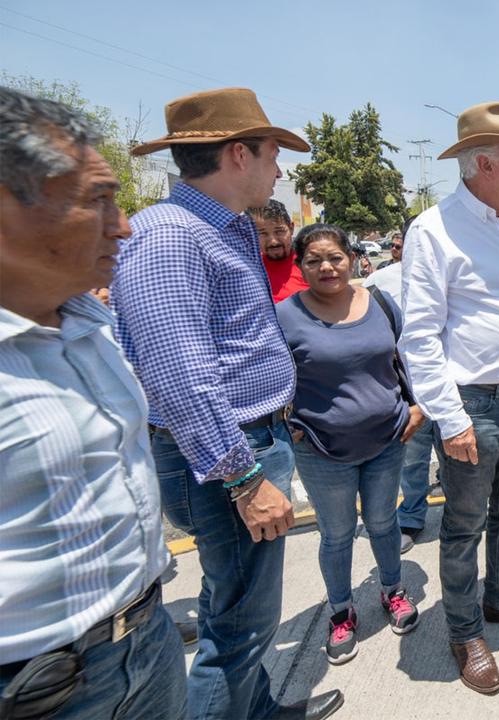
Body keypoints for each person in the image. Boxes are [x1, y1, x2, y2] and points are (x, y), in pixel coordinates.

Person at [111, 88, 343, 720]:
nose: (280, 169)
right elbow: (179, 373)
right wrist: (243, 477)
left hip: (244, 443)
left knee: (237, 609)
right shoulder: (170, 238)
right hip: (224, 457)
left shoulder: (226, 226)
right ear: (239, 154)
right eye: (272, 154)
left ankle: (256, 709)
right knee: (238, 625)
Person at [0, 86, 185, 720]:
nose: (124, 224)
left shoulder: (88, 322)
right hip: (38, 689)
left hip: (145, 644)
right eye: (98, 201)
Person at [400, 101, 499, 696]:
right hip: (475, 406)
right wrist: (450, 418)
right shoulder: (434, 230)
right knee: (464, 526)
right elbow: (418, 337)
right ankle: (466, 632)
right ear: (484, 162)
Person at [276, 223, 424, 664]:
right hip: (322, 450)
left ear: (353, 258)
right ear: (301, 266)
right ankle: (341, 611)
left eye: (335, 257)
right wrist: (287, 423)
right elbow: (267, 377)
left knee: (383, 524)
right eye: (314, 260)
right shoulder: (285, 315)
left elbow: (408, 356)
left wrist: (417, 406)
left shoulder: (379, 301)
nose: (326, 267)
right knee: (337, 535)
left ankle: (393, 591)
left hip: (387, 440)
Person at [366, 215, 436, 554]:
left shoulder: (452, 273)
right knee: (412, 460)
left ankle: (461, 518)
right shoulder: (380, 281)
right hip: (406, 391)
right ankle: (411, 517)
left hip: (454, 388)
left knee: (462, 461)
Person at [248, 198, 308, 302]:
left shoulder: (310, 264)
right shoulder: (248, 269)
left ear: (291, 228)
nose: (273, 242)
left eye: (279, 231)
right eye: (263, 233)